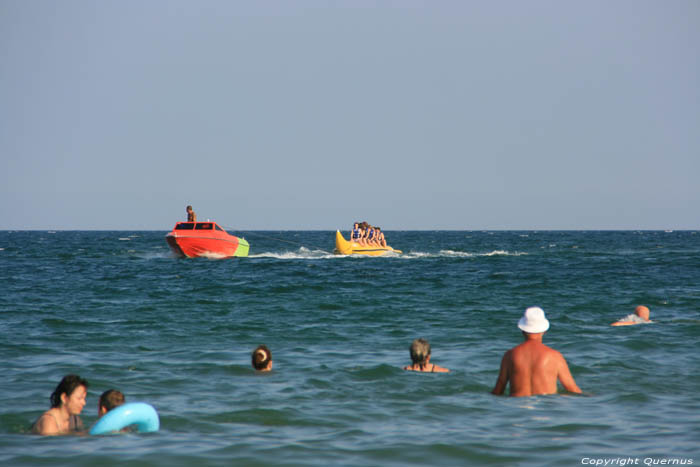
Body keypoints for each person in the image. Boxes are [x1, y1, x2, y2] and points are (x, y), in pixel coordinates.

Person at [492, 307, 581, 397]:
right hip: (545, 406)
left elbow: (498, 390)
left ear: (522, 330)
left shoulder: (509, 355)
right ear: (544, 330)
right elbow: (571, 388)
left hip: (517, 407)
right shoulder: (555, 356)